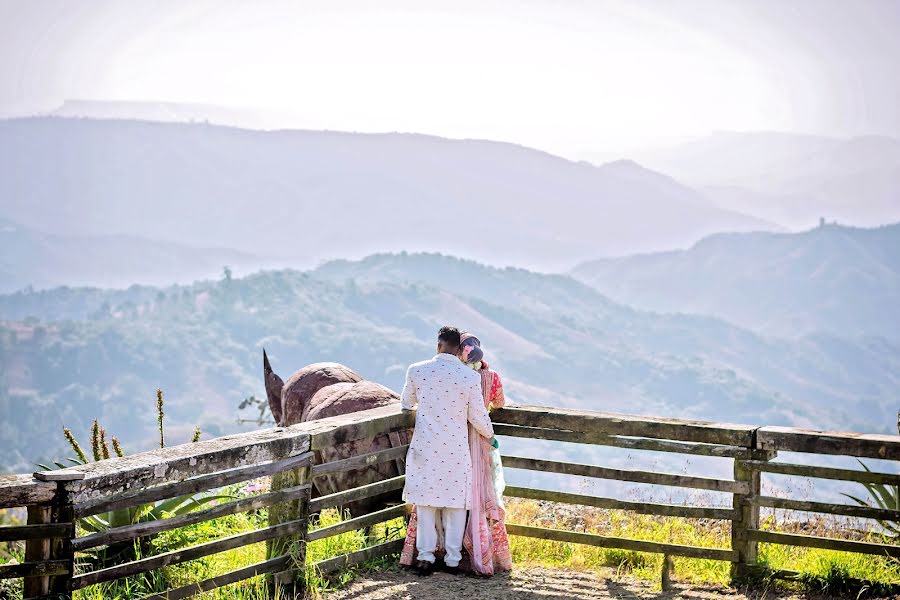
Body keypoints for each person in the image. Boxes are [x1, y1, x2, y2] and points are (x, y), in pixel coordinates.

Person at [398, 326, 495, 576]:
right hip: (455, 449)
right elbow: (478, 417)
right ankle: (452, 560)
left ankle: (425, 557)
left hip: (425, 448)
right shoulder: (469, 378)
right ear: (458, 349)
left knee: (427, 504)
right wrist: (490, 437)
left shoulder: (417, 370)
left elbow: (407, 403)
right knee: (455, 505)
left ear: (438, 345)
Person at [457, 332, 512, 576]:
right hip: (482, 442)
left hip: (456, 441)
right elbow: (499, 403)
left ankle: (452, 553)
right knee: (483, 495)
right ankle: (486, 551)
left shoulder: (456, 376)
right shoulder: (492, 377)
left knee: (457, 494)